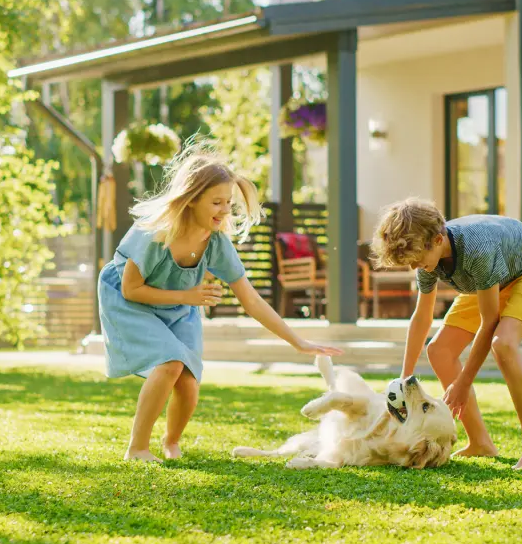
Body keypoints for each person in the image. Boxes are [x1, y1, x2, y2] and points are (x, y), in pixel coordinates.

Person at [98, 140, 343, 463]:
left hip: (178, 306)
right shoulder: (153, 233)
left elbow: (252, 301)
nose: (225, 210)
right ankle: (137, 448)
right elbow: (131, 289)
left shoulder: (215, 243)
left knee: (188, 382)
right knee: (170, 363)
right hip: (129, 302)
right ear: (191, 199)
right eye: (216, 202)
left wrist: (298, 342)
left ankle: (171, 443)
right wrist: (188, 296)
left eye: (228, 202)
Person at [370, 198, 522, 470]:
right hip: (490, 282)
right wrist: (404, 379)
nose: (415, 267)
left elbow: (489, 322)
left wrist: (463, 383)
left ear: (437, 240)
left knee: (503, 344)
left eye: (418, 260)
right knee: (439, 350)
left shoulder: (477, 249)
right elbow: (422, 316)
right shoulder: (427, 259)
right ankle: (481, 443)